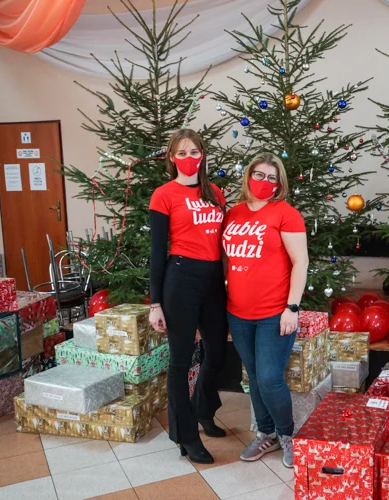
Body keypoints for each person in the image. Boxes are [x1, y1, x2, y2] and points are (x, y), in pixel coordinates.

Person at [222, 152, 309, 468]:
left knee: (271, 378)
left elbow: (301, 261)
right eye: (259, 175)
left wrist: (292, 308)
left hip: (275, 313)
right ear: (248, 176)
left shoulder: (286, 214)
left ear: (280, 183)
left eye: (273, 177)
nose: (265, 182)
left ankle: (288, 435)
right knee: (256, 377)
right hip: (239, 312)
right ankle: (266, 434)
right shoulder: (233, 214)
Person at [148, 129, 229, 464]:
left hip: (213, 280)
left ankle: (203, 408)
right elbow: (156, 252)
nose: (189, 158)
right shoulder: (163, 195)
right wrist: (155, 303)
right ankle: (186, 437)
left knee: (218, 351)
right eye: (181, 153)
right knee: (180, 362)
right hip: (180, 278)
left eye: (194, 152)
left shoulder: (216, 193)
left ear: (203, 155)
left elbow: (226, 243)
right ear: (171, 158)